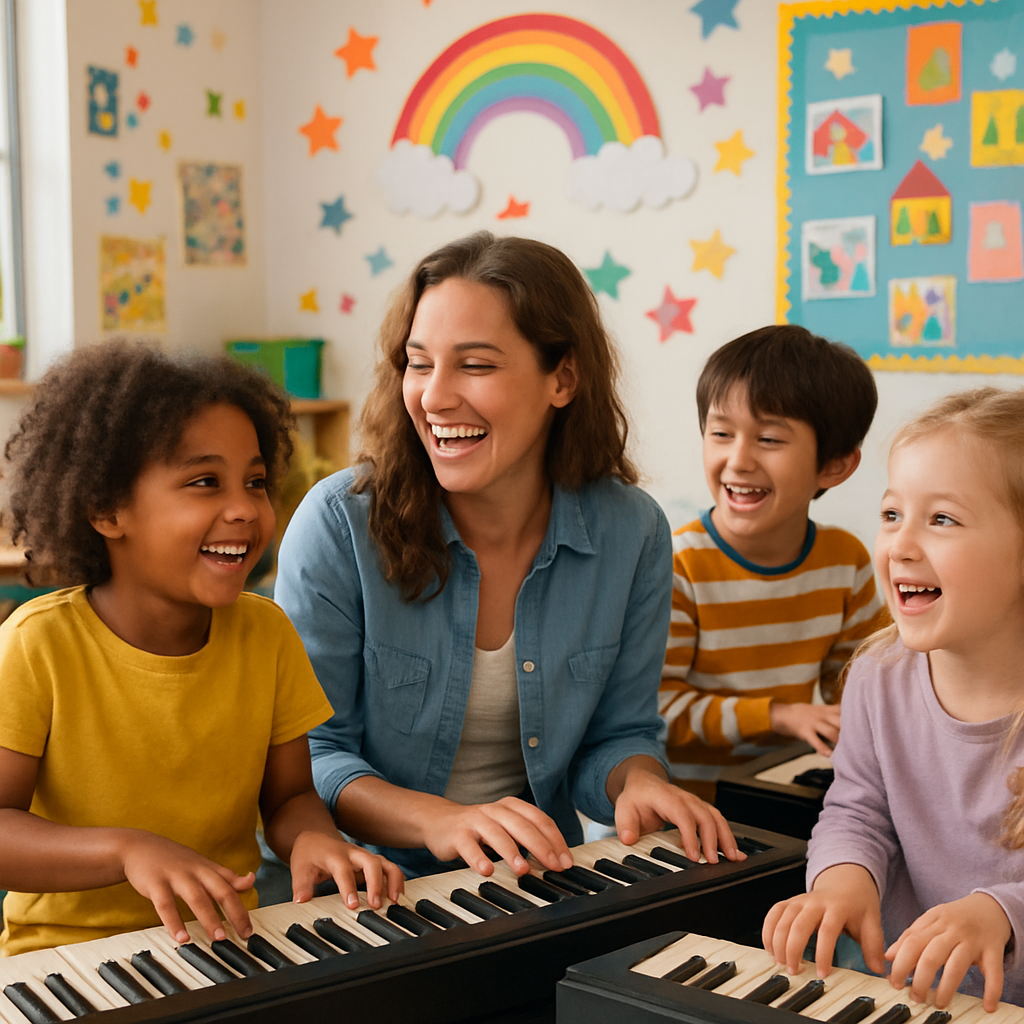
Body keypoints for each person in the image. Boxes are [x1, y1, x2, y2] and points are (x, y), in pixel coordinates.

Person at [275, 231, 742, 880]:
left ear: (563, 378)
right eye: (418, 362)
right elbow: (311, 757)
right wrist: (440, 819)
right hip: (371, 887)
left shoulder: (631, 533)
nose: (434, 397)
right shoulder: (337, 526)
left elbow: (618, 734)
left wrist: (637, 782)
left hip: (532, 881)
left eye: (475, 365)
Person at [0, 342, 402, 957]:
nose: (244, 509)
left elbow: (289, 797)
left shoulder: (266, 635)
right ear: (106, 509)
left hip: (228, 945)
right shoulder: (38, 646)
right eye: (204, 482)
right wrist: (127, 850)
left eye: (256, 482)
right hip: (66, 959)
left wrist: (314, 839)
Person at [763, 387, 1024, 1011]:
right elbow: (857, 810)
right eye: (890, 514)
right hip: (910, 998)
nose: (901, 544)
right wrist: (843, 879)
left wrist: (1001, 912)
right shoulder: (879, 675)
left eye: (942, 519)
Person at [660, 326, 888, 799]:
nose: (737, 460)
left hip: (787, 799)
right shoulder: (678, 564)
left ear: (835, 466)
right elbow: (658, 709)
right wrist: (780, 714)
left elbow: (868, 688)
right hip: (683, 813)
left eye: (768, 438)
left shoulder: (844, 561)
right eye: (721, 433)